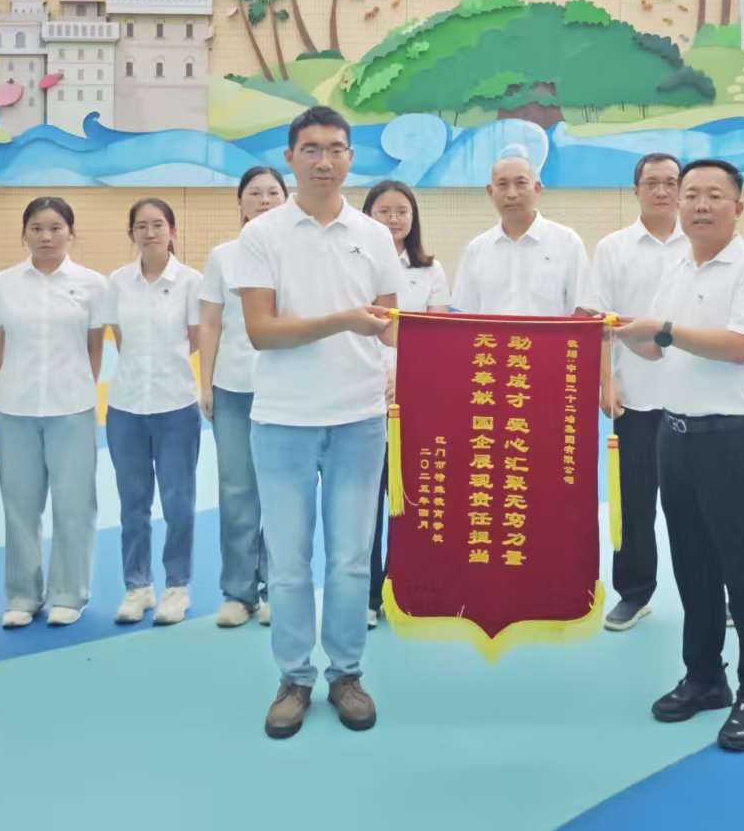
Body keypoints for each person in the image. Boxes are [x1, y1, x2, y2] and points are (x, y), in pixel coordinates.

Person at [235, 106, 403, 739]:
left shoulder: (375, 235)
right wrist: (342, 320)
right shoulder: (263, 235)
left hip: (359, 417)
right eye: (311, 149)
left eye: (336, 149)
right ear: (290, 158)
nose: (324, 161)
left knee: (352, 560)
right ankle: (294, 677)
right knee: (288, 561)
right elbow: (261, 331)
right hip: (283, 419)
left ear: (351, 158)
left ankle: (347, 673)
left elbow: (390, 328)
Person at [615, 159, 744, 753]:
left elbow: (740, 347)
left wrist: (662, 329)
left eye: (714, 195)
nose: (700, 205)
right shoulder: (677, 269)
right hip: (677, 435)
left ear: (738, 207)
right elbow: (659, 350)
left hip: (734, 439)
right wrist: (622, 334)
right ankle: (705, 676)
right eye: (691, 195)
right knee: (692, 566)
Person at [0, 197, 106, 628]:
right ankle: (22, 595)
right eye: (37, 228)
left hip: (72, 408)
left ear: (71, 233)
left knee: (74, 504)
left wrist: (73, 385)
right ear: (24, 233)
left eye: (55, 228)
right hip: (16, 408)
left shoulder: (92, 284)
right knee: (19, 504)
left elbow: (94, 348)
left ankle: (70, 593)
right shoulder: (1, 285)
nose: (46, 236)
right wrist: (17, 381)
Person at [585, 152, 686, 632]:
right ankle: (634, 593)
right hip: (636, 399)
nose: (662, 191)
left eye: (671, 182)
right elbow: (599, 324)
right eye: (652, 183)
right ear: (636, 190)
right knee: (635, 504)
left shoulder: (704, 244)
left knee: (700, 506)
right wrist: (607, 382)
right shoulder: (613, 248)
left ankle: (711, 590)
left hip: (697, 399)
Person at [103, 199, 203, 626]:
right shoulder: (117, 282)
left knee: (178, 501)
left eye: (158, 224)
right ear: (131, 233)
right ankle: (137, 586)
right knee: (133, 501)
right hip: (125, 406)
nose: (150, 232)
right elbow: (119, 337)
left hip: (175, 404)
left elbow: (196, 338)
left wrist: (163, 366)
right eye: (141, 226)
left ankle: (177, 586)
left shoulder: (191, 282)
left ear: (172, 231)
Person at [199, 165, 288, 628]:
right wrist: (205, 383)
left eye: (273, 192)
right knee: (236, 492)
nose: (264, 200)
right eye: (255, 193)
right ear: (240, 202)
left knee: (280, 494)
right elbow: (211, 322)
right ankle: (238, 592)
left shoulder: (297, 253)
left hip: (286, 390)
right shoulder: (223, 256)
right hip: (232, 388)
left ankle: (277, 589)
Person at [362, 179, 451, 629]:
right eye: (384, 211)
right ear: (367, 216)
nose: (394, 219)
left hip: (415, 401)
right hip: (361, 396)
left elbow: (437, 337)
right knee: (366, 504)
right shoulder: (353, 264)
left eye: (402, 211)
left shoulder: (430, 270)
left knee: (413, 501)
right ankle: (368, 594)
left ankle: (407, 590)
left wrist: (406, 379)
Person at [451, 153, 589, 317]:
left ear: (537, 188)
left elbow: (582, 310)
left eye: (521, 183)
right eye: (502, 184)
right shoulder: (476, 250)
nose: (512, 194)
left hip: (551, 335)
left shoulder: (567, 242)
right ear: (490, 191)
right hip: (491, 335)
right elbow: (464, 314)